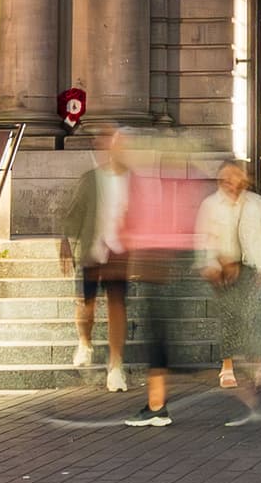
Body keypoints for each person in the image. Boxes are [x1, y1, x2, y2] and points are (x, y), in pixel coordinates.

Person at [120, 139, 204, 425]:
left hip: (159, 266)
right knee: (159, 336)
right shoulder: (179, 189)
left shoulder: (160, 192)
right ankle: (157, 402)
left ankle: (157, 406)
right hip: (166, 264)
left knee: (157, 337)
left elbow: (147, 228)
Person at [197, 156, 261, 419]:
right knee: (229, 315)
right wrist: (208, 263)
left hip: (251, 265)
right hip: (224, 267)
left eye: (236, 178)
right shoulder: (210, 205)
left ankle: (258, 366)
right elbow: (204, 238)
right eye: (227, 178)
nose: (232, 183)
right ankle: (227, 365)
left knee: (252, 315)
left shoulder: (258, 204)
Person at [62, 128, 131, 392]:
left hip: (119, 251)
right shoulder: (91, 179)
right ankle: (85, 342)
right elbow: (74, 212)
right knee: (86, 306)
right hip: (93, 249)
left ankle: (115, 367)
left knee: (116, 305)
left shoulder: (134, 181)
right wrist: (66, 242)